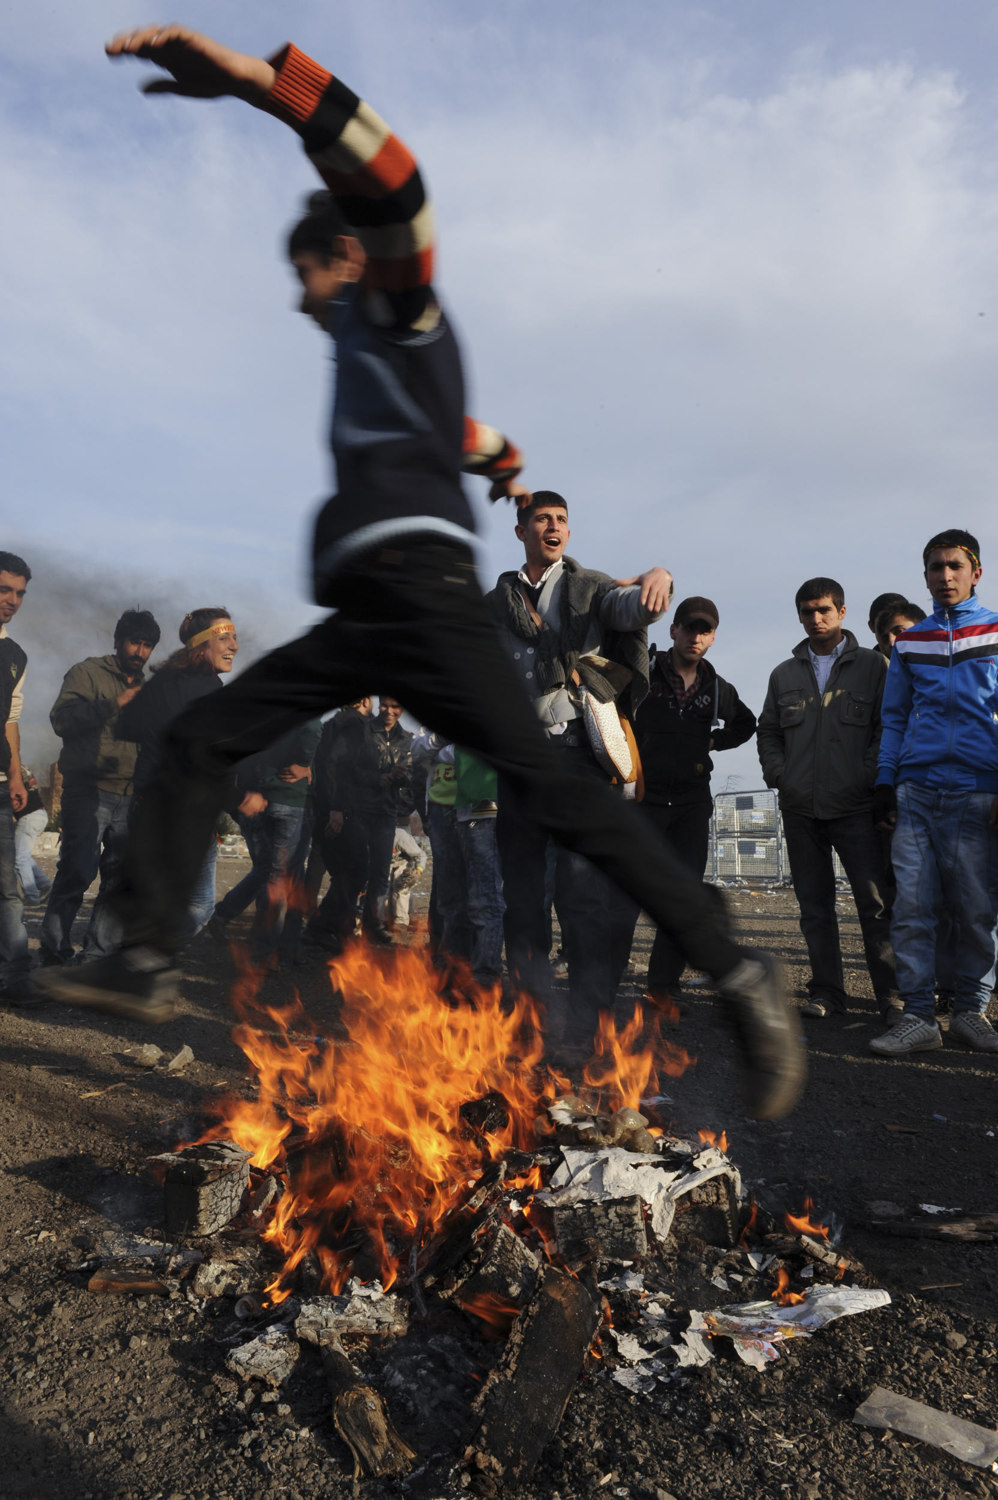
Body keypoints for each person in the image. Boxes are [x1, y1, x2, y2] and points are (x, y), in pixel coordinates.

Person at [43, 24, 803, 1123]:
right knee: (199, 735)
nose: (298, 297)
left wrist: (263, 85)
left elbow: (396, 182)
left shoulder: (391, 304)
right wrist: (495, 459)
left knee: (554, 794)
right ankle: (146, 957)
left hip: (427, 605)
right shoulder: (375, 359)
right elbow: (467, 433)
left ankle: (738, 970)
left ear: (342, 255)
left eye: (304, 271)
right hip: (367, 622)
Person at [488, 489, 668, 1054]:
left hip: (578, 758)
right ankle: (529, 1024)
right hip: (521, 763)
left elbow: (630, 608)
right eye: (542, 519)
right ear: (521, 531)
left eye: (562, 520)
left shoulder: (589, 588)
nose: (554, 527)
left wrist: (656, 583)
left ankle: (591, 1029)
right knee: (521, 900)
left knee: (583, 895)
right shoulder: (499, 601)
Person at [870, 530, 998, 1056]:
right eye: (934, 568)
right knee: (913, 909)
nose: (944, 577)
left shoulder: (994, 632)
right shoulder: (912, 642)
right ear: (924, 575)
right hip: (916, 791)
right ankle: (920, 1017)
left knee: (976, 910)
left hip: (978, 791)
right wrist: (885, 780)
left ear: (975, 572)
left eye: (954, 567)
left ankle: (971, 1013)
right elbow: (895, 717)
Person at [757, 578, 898, 1022]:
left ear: (842, 612)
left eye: (823, 610)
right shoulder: (785, 674)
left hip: (855, 807)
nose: (815, 619)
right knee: (814, 908)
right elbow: (769, 731)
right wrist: (780, 776)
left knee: (876, 906)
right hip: (801, 809)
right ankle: (827, 993)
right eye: (807, 612)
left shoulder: (874, 667)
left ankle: (892, 997)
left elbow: (886, 725)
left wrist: (869, 776)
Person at [633, 596, 756, 1003]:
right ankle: (598, 989)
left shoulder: (717, 689)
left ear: (713, 638)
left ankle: (662, 992)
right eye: (688, 627)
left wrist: (715, 741)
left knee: (682, 901)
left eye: (703, 631)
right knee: (623, 894)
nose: (695, 637)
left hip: (690, 805)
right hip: (642, 802)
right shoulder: (643, 675)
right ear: (673, 630)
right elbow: (609, 713)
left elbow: (747, 723)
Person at [122, 608, 262, 940]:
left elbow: (130, 726)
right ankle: (138, 962)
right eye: (224, 638)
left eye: (235, 637)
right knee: (197, 907)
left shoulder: (168, 679)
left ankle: (133, 962)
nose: (234, 646)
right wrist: (239, 797)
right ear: (200, 646)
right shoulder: (207, 690)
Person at [40, 609, 161, 964]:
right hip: (88, 789)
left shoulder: (149, 687)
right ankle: (53, 952)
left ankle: (96, 955)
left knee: (118, 877)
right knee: (77, 869)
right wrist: (114, 704)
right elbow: (61, 721)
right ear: (118, 640)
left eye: (148, 645)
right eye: (135, 642)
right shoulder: (87, 673)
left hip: (132, 793)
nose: (140, 652)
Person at [209, 719, 322, 965]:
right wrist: (304, 764)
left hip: (267, 799)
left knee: (284, 874)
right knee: (276, 876)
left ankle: (286, 946)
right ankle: (263, 950)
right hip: (278, 800)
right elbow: (310, 730)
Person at [304, 699, 383, 953]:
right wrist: (337, 809)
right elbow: (340, 765)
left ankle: (339, 928)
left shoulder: (333, 724)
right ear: (365, 701)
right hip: (343, 809)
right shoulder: (353, 725)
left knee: (346, 870)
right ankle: (322, 927)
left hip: (334, 807)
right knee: (357, 869)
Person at [0, 552, 31, 1000]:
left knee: (8, 887)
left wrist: (16, 776)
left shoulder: (14, 655)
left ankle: (17, 978)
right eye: (4, 588)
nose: (13, 600)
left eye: (21, 593)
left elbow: (11, 718)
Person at [364, 697, 414, 942]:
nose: (390, 711)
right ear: (378, 703)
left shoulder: (407, 739)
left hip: (387, 811)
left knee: (381, 872)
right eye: (385, 705)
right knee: (354, 869)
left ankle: (372, 925)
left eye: (396, 706)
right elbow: (350, 768)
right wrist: (378, 778)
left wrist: (400, 776)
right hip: (359, 809)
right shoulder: (363, 731)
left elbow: (412, 776)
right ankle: (344, 922)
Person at [14, 768, 52, 906]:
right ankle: (45, 885)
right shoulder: (22, 769)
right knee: (23, 856)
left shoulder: (11, 771)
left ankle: (31, 896)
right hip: (39, 815)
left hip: (29, 816)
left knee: (19, 858)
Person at [867, 592, 909, 658]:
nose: (892, 642)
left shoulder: (928, 660)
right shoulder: (864, 666)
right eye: (884, 634)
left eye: (898, 631)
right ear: (871, 626)